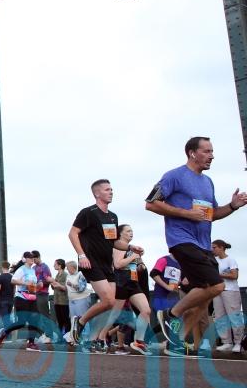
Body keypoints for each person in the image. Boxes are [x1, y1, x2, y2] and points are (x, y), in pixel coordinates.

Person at [145, 137, 247, 356]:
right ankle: (171, 314)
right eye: (207, 151)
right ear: (192, 153)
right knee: (217, 286)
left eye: (212, 151)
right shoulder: (174, 176)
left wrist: (232, 206)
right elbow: (151, 203)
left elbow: (212, 214)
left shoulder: (208, 182)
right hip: (182, 240)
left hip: (203, 244)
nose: (212, 156)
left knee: (204, 296)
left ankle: (176, 341)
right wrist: (186, 213)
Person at [65, 179, 143, 350]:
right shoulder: (88, 212)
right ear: (97, 193)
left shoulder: (113, 216)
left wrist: (130, 247)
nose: (111, 192)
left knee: (110, 303)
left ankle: (92, 336)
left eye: (111, 189)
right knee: (108, 299)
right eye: (107, 190)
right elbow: (72, 234)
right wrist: (81, 255)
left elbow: (114, 241)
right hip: (91, 262)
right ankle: (80, 322)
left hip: (107, 265)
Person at [94, 224, 151, 355]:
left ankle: (139, 341)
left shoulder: (132, 249)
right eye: (128, 231)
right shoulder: (119, 246)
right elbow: (118, 264)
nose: (131, 233)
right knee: (114, 314)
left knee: (146, 310)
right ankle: (101, 337)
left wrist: (140, 262)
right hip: (121, 282)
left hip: (133, 282)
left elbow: (138, 266)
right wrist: (133, 256)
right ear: (120, 234)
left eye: (132, 231)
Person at [0, 252, 42, 351]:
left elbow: (33, 284)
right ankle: (4, 332)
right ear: (25, 259)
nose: (32, 259)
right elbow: (13, 280)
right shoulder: (21, 269)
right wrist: (25, 283)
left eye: (33, 257)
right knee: (21, 322)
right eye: (30, 257)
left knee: (35, 319)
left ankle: (31, 343)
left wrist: (38, 285)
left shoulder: (33, 270)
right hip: (21, 298)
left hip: (32, 297)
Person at [211, 239, 243, 353]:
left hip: (230, 291)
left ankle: (238, 343)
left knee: (234, 317)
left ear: (221, 247)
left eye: (214, 247)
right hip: (217, 291)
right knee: (220, 317)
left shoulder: (231, 260)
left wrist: (218, 275)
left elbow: (234, 275)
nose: (212, 250)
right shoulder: (214, 260)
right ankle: (227, 342)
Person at [65, 261, 92, 325]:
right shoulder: (68, 276)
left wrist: (71, 285)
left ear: (72, 267)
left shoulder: (80, 274)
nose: (67, 269)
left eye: (67, 268)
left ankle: (86, 331)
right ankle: (75, 331)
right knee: (73, 320)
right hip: (71, 301)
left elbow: (81, 288)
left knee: (82, 318)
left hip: (81, 300)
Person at [50, 259, 70, 338]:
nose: (54, 266)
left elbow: (65, 288)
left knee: (65, 319)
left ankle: (68, 335)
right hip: (57, 300)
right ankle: (60, 336)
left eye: (55, 264)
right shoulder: (57, 275)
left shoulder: (65, 275)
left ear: (60, 265)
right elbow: (54, 287)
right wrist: (52, 282)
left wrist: (55, 283)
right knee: (59, 319)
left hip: (64, 301)